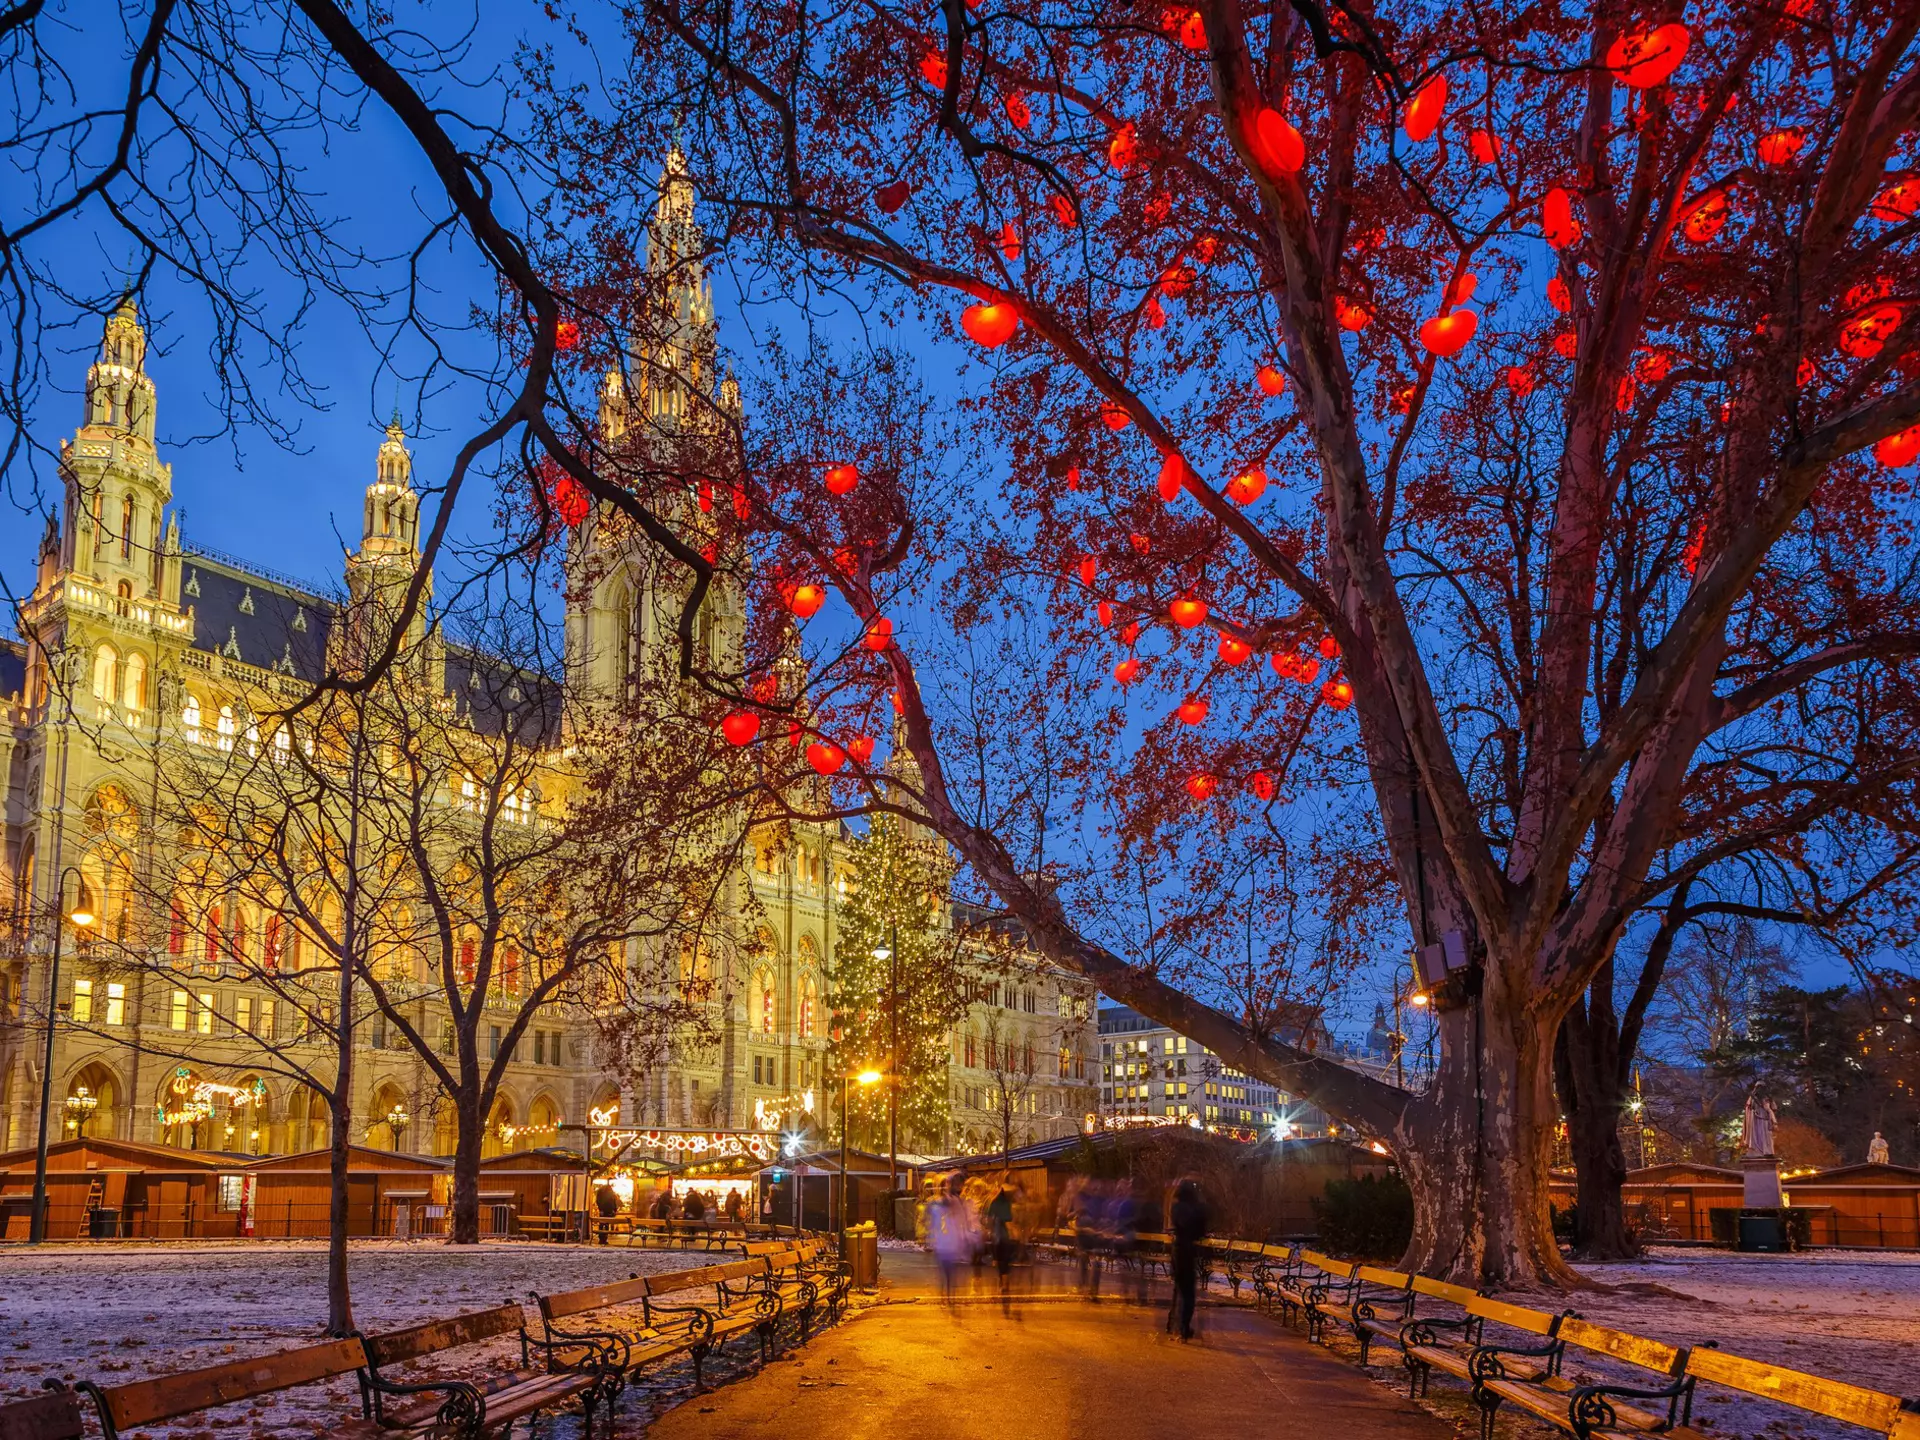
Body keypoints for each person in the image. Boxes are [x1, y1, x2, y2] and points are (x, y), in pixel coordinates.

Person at [1167, 1178, 1208, 1341]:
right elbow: (1199, 1231)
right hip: (1188, 1252)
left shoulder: (1176, 1206)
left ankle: (1173, 1325)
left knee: (1179, 1289)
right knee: (1188, 1292)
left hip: (1177, 1251)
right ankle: (1184, 1327)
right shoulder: (1196, 1209)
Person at [926, 1176, 978, 1306]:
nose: (946, 1188)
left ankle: (949, 1295)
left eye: (947, 1185)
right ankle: (946, 1293)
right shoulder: (936, 1204)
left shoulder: (955, 1202)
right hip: (942, 1242)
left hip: (952, 1242)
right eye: (944, 1185)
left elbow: (961, 1220)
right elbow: (933, 1223)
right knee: (945, 1269)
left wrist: (963, 1237)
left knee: (951, 1270)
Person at [986, 1183, 1017, 1310]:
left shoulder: (993, 1203)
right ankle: (1005, 1284)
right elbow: (1009, 1221)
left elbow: (989, 1220)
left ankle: (1002, 1284)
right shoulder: (1007, 1204)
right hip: (1005, 1237)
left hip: (996, 1238)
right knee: (1006, 1262)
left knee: (999, 1262)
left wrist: (989, 1230)